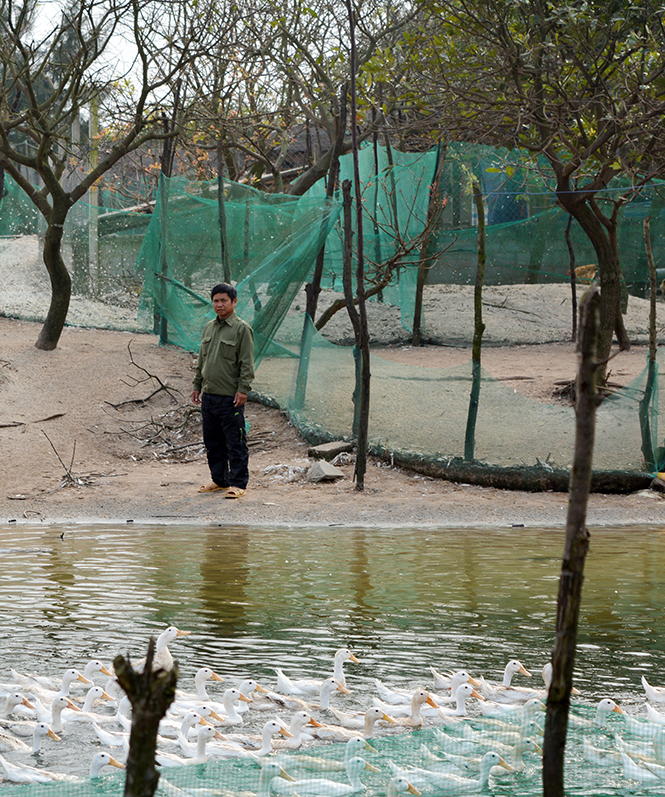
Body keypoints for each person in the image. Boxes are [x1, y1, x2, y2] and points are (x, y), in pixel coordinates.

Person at [191, 283, 255, 498]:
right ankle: (219, 480)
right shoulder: (209, 327)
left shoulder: (242, 329)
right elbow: (203, 359)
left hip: (231, 398)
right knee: (213, 442)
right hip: (209, 395)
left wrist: (243, 390)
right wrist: (197, 385)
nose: (219, 305)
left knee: (235, 442)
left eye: (224, 301)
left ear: (234, 302)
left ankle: (238, 484)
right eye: (216, 300)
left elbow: (246, 363)